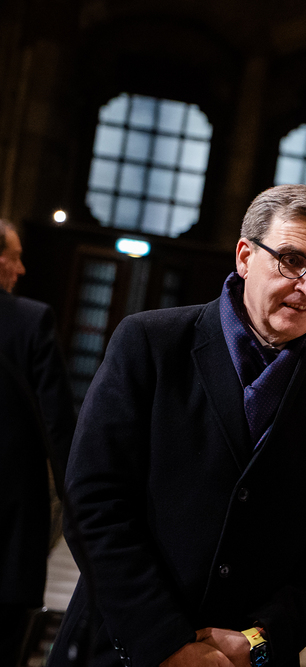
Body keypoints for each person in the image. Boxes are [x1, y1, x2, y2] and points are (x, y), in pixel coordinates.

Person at [50, 184, 306, 667]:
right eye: (291, 260)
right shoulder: (151, 343)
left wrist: (258, 642)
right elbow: (92, 502)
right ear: (245, 256)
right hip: (121, 647)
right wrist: (167, 642)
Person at [0, 220, 76, 667]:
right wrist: (81, 506)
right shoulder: (30, 321)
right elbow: (59, 426)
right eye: (15, 257)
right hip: (8, 528)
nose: (22, 268)